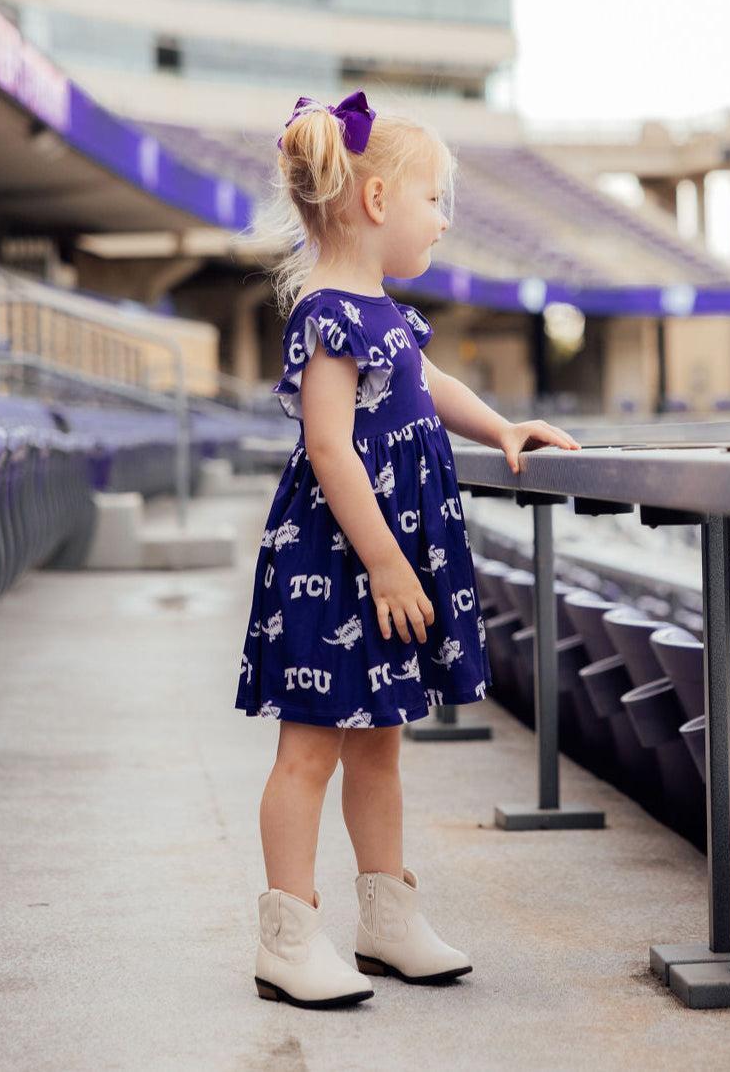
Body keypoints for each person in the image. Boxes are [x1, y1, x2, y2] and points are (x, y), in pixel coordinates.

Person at [234, 89, 582, 1009]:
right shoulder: (325, 313)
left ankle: (386, 918)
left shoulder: (385, 310)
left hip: (383, 556)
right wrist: (388, 561)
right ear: (379, 202)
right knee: (308, 749)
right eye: (436, 200)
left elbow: (432, 387)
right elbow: (327, 446)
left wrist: (505, 427)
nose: (445, 220)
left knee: (381, 745)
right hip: (337, 559)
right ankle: (288, 931)